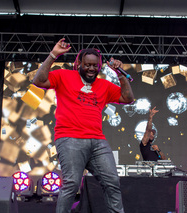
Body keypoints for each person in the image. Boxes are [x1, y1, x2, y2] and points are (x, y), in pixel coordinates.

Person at [33, 38, 134, 213]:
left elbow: (128, 98)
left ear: (100, 66)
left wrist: (120, 74)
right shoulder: (64, 75)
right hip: (70, 138)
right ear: (79, 64)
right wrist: (53, 55)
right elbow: (39, 81)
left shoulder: (104, 85)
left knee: (112, 182)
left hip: (97, 141)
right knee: (71, 183)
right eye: (87, 65)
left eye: (95, 65)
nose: (91, 68)